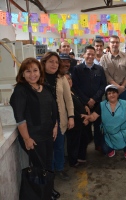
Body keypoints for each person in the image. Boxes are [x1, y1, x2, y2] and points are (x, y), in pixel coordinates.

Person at [10, 57, 59, 200]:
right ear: (22, 74)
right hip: (33, 137)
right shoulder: (21, 90)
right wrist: (26, 138)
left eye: (35, 70)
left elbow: (53, 109)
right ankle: (41, 194)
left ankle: (48, 190)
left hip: (48, 134)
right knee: (40, 166)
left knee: (48, 164)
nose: (32, 74)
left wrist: (55, 125)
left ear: (40, 71)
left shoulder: (46, 87)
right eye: (28, 71)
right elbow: (20, 118)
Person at [40, 52, 75, 181]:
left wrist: (71, 116)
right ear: (44, 63)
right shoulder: (38, 77)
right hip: (44, 120)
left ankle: (59, 169)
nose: (54, 64)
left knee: (59, 146)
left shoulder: (61, 78)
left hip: (60, 118)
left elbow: (68, 99)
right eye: (51, 61)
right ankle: (49, 171)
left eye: (56, 62)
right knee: (47, 147)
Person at [82, 85, 126, 162]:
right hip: (109, 135)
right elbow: (93, 117)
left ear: (117, 94)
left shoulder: (125, 103)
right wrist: (88, 117)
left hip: (123, 133)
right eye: (109, 93)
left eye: (114, 92)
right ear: (106, 96)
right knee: (105, 149)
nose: (111, 95)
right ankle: (110, 149)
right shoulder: (101, 105)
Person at [72, 45, 107, 152]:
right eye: (88, 54)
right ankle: (83, 149)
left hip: (97, 103)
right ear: (84, 55)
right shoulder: (77, 69)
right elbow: (75, 87)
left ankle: (98, 144)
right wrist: (86, 101)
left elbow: (103, 86)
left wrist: (94, 99)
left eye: (93, 54)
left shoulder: (100, 69)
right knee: (84, 126)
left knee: (98, 125)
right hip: (83, 104)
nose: (90, 56)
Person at [64, 73, 90, 167]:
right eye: (66, 80)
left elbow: (79, 101)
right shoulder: (64, 94)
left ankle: (80, 157)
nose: (69, 81)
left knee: (84, 139)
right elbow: (70, 109)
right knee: (74, 143)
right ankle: (73, 161)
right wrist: (82, 117)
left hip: (81, 122)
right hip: (74, 122)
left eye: (69, 79)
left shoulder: (72, 91)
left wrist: (85, 106)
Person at [100, 35, 126, 103]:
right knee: (111, 111)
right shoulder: (104, 58)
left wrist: (122, 87)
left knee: (125, 109)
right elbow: (106, 74)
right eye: (113, 42)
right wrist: (117, 87)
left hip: (124, 89)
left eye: (117, 42)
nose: (115, 44)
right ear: (109, 44)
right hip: (110, 89)